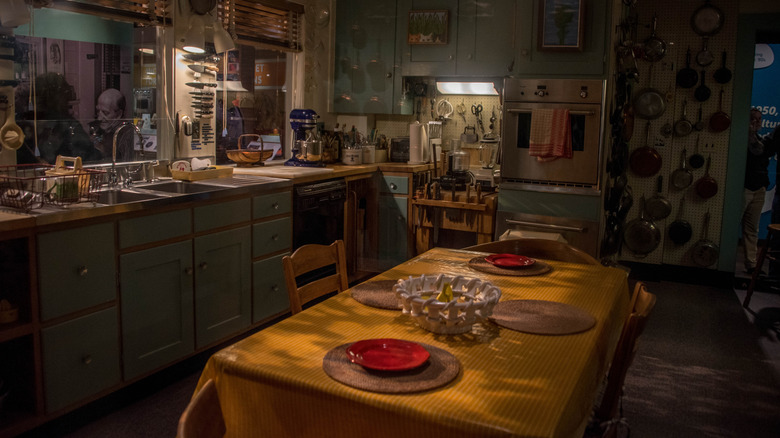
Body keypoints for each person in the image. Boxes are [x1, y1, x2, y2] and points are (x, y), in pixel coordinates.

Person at [15, 73, 99, 164]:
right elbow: (90, 158)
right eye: (65, 95)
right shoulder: (64, 123)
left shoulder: (23, 124)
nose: (67, 100)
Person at [742, 108, 778, 275]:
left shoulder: (760, 141)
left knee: (752, 228)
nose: (757, 122)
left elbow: (764, 148)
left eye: (759, 119)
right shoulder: (745, 139)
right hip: (745, 188)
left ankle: (751, 264)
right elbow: (756, 150)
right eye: (753, 119)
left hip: (759, 188)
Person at [90, 88, 135, 162]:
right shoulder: (103, 130)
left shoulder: (127, 135)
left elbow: (127, 166)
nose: (99, 118)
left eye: (106, 113)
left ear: (119, 114)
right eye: (98, 111)